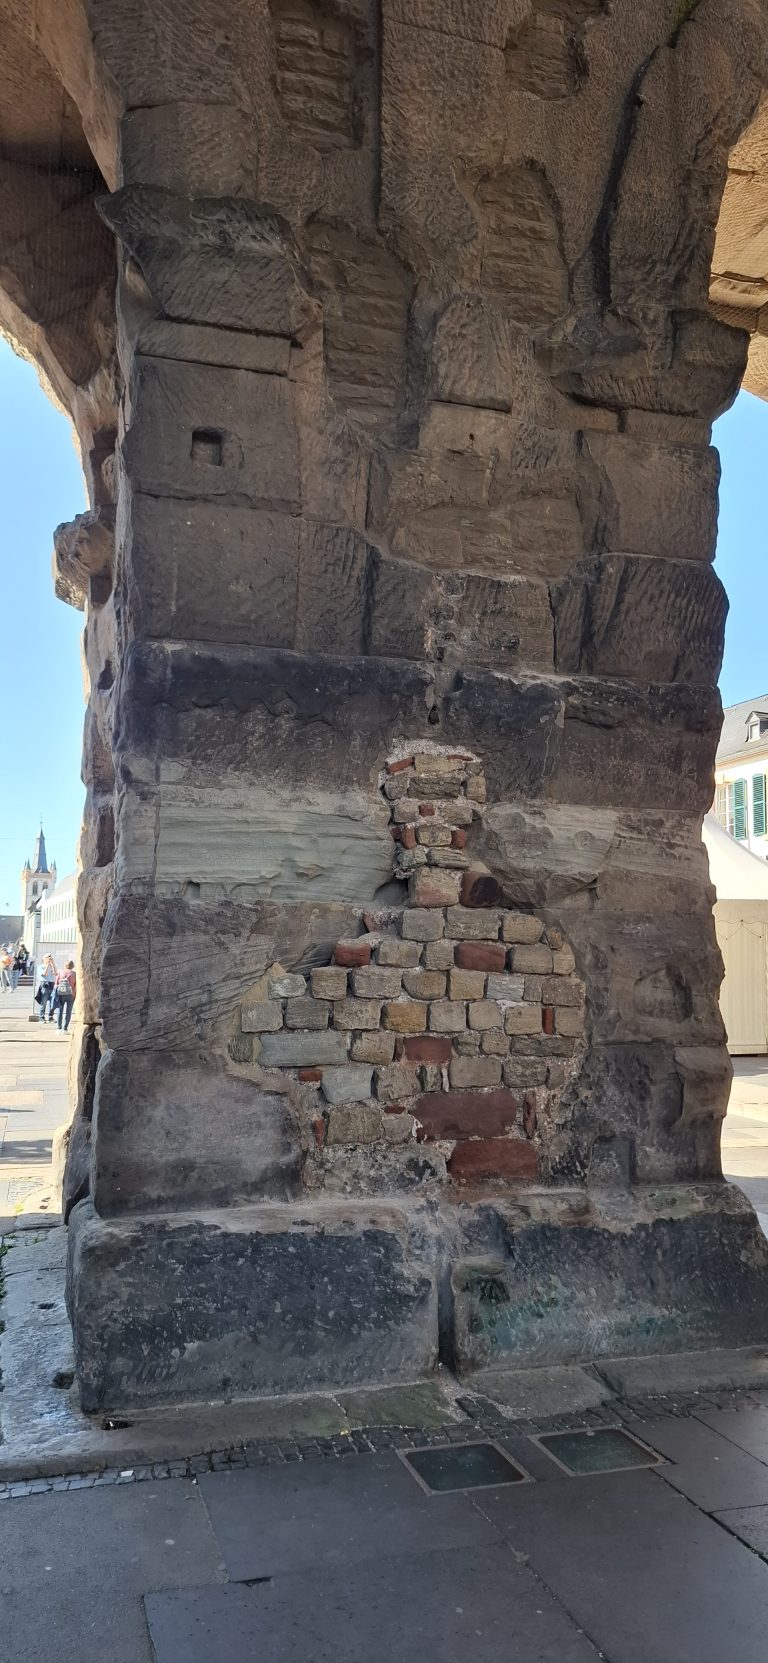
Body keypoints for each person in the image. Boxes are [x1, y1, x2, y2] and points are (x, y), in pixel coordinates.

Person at [55, 962, 76, 1032]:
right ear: (73, 966)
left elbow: (56, 983)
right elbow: (76, 985)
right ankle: (65, 1028)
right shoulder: (74, 973)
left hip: (61, 994)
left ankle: (59, 1028)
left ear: (65, 966)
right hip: (71, 994)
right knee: (68, 1011)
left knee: (60, 1010)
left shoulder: (60, 972)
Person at [37, 954, 57, 1022]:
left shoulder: (52, 966)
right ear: (44, 959)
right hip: (45, 984)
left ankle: (50, 1017)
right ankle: (41, 1017)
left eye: (50, 957)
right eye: (47, 957)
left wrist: (53, 963)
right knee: (44, 1002)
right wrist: (48, 965)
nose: (49, 958)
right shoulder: (41, 967)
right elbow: (44, 974)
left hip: (52, 984)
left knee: (52, 1002)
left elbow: (55, 973)